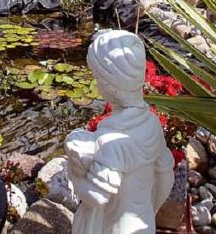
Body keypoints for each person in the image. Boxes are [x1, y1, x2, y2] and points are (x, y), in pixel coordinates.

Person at [65, 30, 174, 233]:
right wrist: (152, 209)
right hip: (143, 223)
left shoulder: (111, 142)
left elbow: (96, 197)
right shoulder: (151, 123)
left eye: (97, 78)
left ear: (109, 86)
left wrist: (73, 172)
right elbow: (166, 175)